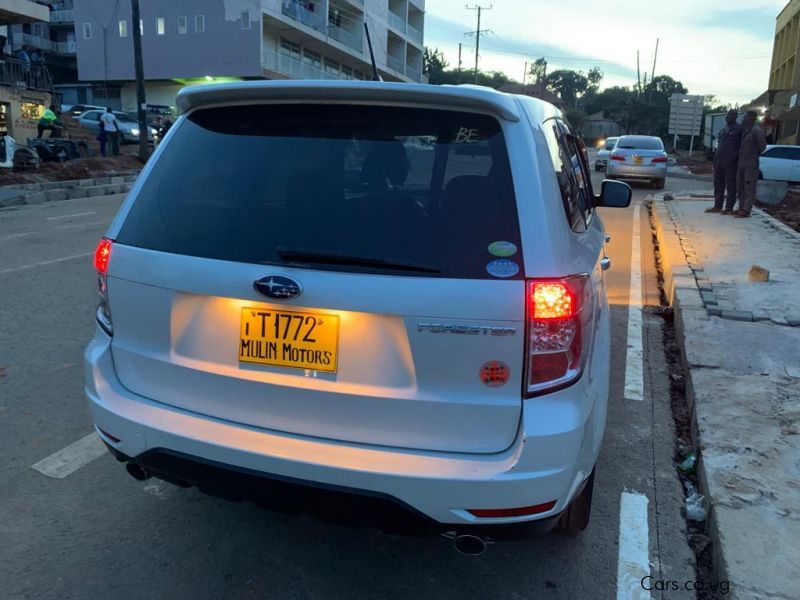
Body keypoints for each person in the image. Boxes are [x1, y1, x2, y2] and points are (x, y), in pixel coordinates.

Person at [706, 109, 742, 215]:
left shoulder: (738, 130)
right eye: (727, 116)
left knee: (730, 185)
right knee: (718, 183)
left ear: (735, 117)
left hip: (730, 162)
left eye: (730, 116)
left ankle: (729, 207)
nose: (727, 118)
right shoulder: (723, 129)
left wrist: (734, 157)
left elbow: (742, 146)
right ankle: (717, 206)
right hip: (719, 161)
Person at [734, 111, 766, 218]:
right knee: (740, 186)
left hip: (751, 163)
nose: (744, 118)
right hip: (741, 162)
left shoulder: (757, 131)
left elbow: (762, 147)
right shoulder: (745, 131)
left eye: (746, 117)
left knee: (749, 186)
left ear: (752, 118)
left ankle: (746, 210)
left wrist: (753, 155)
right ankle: (741, 208)